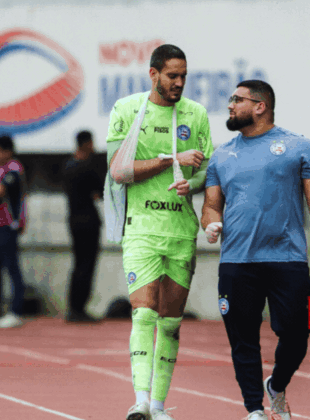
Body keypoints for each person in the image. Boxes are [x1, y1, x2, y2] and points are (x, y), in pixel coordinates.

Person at [201, 80, 310, 420]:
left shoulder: (297, 146)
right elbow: (211, 205)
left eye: (237, 99)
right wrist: (211, 223)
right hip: (237, 261)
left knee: (297, 334)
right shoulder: (221, 155)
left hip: (287, 258)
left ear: (260, 106)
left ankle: (276, 385)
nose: (230, 105)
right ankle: (254, 409)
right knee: (243, 340)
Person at [106, 44, 213, 420]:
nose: (179, 83)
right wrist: (172, 160)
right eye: (172, 76)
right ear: (153, 74)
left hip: (180, 231)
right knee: (143, 314)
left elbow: (206, 171)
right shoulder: (127, 109)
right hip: (141, 229)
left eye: (184, 76)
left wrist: (192, 183)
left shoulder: (196, 114)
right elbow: (119, 171)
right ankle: (139, 402)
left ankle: (158, 406)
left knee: (170, 323)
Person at [63, 130, 104, 323]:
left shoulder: (68, 166)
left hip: (73, 219)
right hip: (88, 220)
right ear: (87, 143)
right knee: (86, 265)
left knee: (78, 264)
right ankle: (79, 308)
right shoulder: (88, 167)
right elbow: (101, 191)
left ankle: (74, 307)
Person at [0, 135, 27, 329]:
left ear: (7, 151)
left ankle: (16, 311)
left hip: (7, 225)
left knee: (12, 268)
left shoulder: (13, 168)